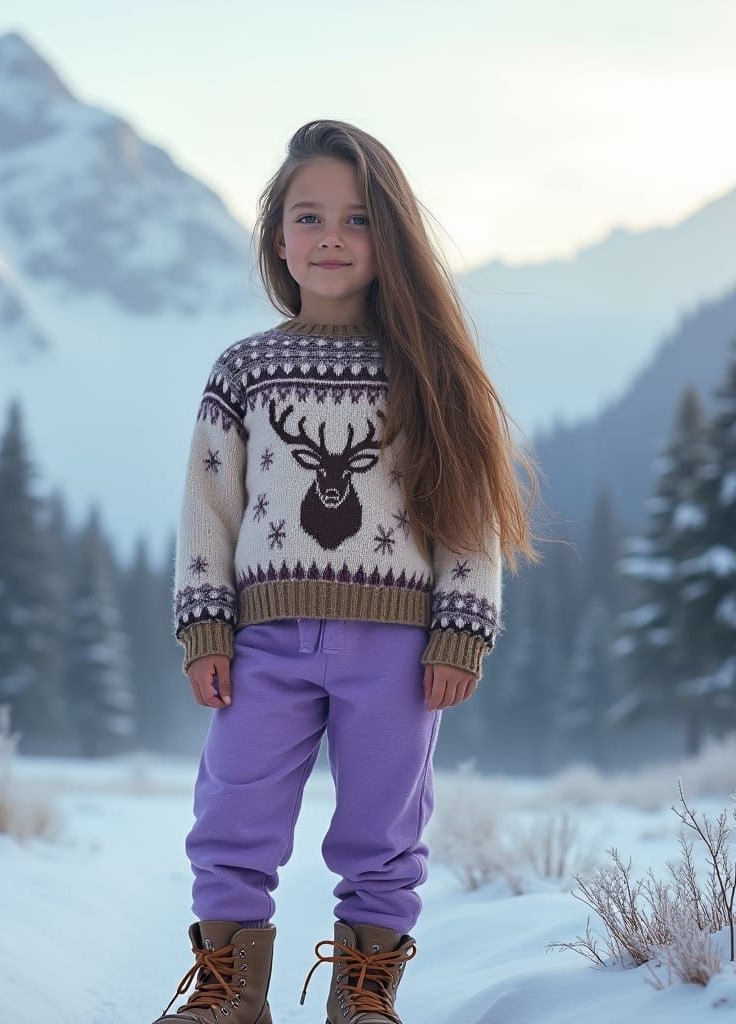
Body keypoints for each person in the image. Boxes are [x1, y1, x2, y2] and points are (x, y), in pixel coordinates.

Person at [155, 119, 541, 1024]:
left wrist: (461, 629)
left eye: (358, 218)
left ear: (388, 237)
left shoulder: (428, 372)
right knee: (233, 814)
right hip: (264, 644)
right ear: (276, 238)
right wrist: (205, 627)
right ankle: (228, 993)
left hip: (398, 651)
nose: (332, 237)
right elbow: (208, 508)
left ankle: (364, 997)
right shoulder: (244, 371)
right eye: (309, 216)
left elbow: (468, 510)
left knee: (383, 828)